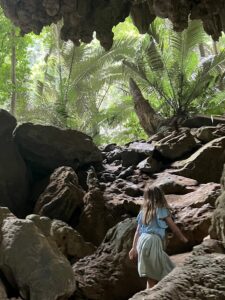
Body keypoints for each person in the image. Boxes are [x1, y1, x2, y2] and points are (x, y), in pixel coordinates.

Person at [129, 185, 188, 289]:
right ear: (160, 196)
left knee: (151, 275)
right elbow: (173, 227)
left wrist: (134, 248)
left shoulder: (143, 212)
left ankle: (147, 295)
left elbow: (138, 231)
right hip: (152, 241)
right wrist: (183, 239)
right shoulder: (161, 210)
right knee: (168, 271)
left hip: (142, 242)